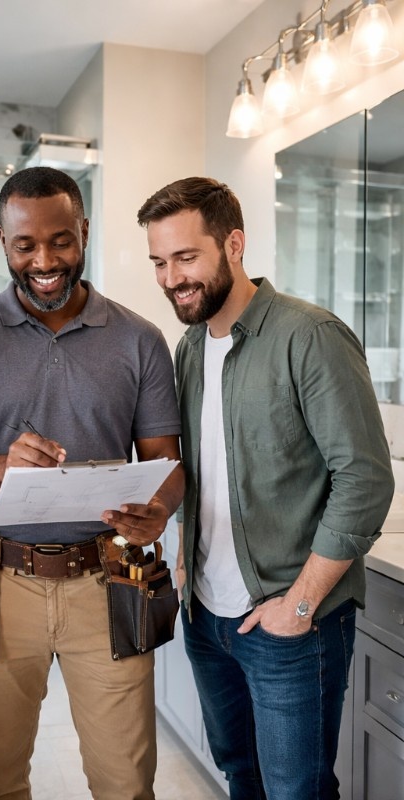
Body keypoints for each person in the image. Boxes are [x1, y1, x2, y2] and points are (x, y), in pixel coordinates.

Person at [0, 166, 184, 799]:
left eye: (61, 241)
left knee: (126, 785)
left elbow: (167, 463)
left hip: (110, 582)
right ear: (3, 241)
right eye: (25, 245)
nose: (45, 260)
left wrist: (158, 510)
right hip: (0, 584)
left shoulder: (140, 340)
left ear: (84, 233)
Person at [137, 176, 393, 799]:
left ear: (234, 244)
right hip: (206, 617)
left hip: (287, 621)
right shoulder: (190, 348)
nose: (172, 278)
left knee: (296, 790)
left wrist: (298, 606)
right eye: (160, 263)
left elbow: (364, 479)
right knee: (240, 776)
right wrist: (161, 523)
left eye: (187, 257)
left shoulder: (308, 336)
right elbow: (206, 473)